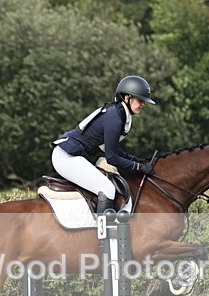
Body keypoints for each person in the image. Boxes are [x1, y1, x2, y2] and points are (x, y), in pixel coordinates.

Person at [51, 75, 155, 213]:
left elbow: (114, 150)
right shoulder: (115, 118)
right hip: (66, 157)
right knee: (107, 188)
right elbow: (111, 158)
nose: (144, 104)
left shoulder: (119, 114)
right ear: (127, 98)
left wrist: (138, 161)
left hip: (76, 156)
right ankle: (104, 232)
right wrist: (138, 167)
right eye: (140, 100)